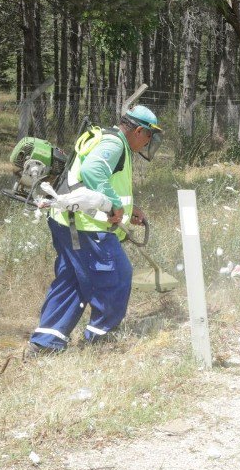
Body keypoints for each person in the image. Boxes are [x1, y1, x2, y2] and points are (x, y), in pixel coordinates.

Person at [26, 105, 163, 355]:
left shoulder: (110, 139)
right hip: (85, 227)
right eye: (149, 137)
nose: (148, 143)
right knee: (117, 276)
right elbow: (92, 172)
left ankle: (45, 343)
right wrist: (113, 206)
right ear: (140, 131)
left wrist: (128, 210)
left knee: (73, 280)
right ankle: (101, 338)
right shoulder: (115, 144)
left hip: (69, 221)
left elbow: (104, 183)